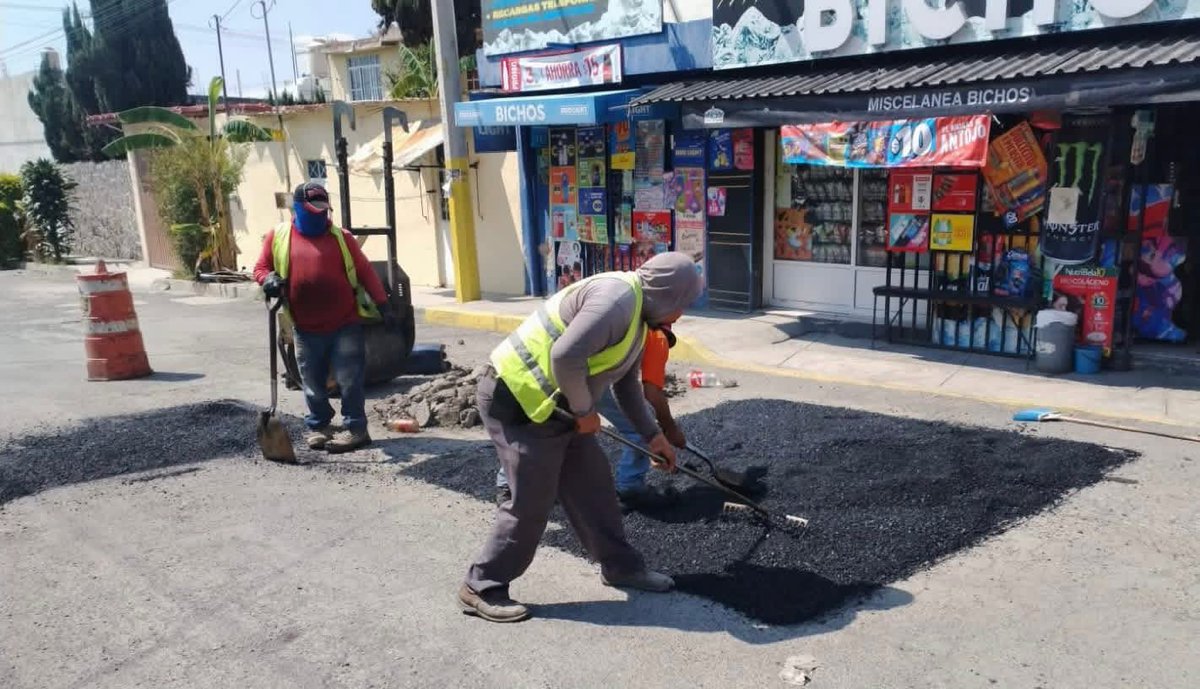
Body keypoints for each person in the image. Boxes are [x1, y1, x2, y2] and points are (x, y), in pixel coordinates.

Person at [459, 252, 703, 623]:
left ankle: (620, 567)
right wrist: (586, 412)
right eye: (682, 305)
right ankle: (481, 585)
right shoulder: (617, 301)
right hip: (518, 400)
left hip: (558, 407)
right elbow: (565, 355)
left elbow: (624, 386)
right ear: (668, 295)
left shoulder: (639, 317)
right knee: (530, 502)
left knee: (595, 488)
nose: (681, 315)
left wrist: (653, 435)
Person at [253, 182, 390, 454]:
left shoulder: (342, 238)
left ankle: (356, 429)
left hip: (344, 322)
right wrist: (267, 279)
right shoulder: (278, 236)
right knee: (311, 380)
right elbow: (260, 267)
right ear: (299, 207)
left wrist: (382, 303)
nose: (320, 215)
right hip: (304, 325)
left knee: (349, 378)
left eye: (324, 210)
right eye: (314, 209)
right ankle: (319, 426)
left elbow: (364, 271)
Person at [493, 322, 685, 510]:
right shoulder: (658, 338)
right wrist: (667, 428)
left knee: (545, 426)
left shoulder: (626, 318)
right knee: (640, 430)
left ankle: (508, 485)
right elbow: (651, 392)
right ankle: (631, 487)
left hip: (563, 367)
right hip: (592, 375)